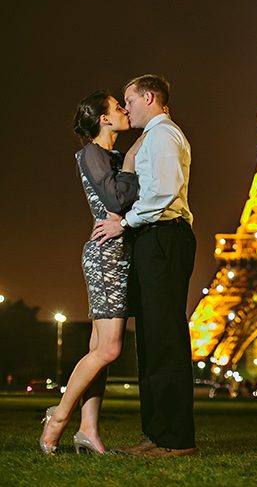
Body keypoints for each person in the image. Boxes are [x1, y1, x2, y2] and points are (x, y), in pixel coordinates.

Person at [91, 74, 197, 458]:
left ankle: (175, 439)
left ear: (148, 98)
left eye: (128, 100)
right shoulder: (154, 137)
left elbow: (164, 191)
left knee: (164, 337)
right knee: (152, 340)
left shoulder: (164, 135)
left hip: (163, 234)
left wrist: (125, 222)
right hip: (154, 238)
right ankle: (157, 434)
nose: (125, 107)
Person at [39, 92, 140, 454]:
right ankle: (59, 417)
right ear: (103, 119)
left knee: (100, 348)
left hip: (118, 253)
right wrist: (130, 160)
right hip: (106, 255)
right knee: (110, 349)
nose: (124, 111)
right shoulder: (94, 154)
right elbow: (115, 200)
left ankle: (89, 430)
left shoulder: (108, 155)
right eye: (117, 107)